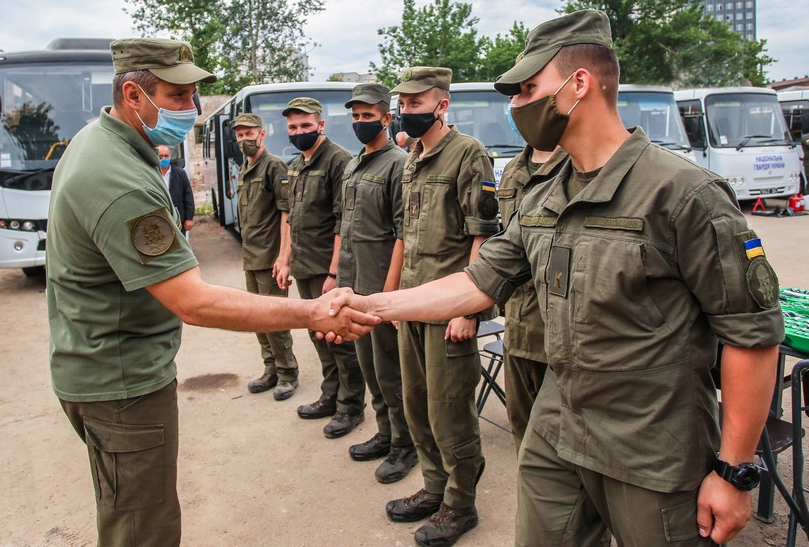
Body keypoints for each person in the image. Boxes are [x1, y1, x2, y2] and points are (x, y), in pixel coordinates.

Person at [327, 10, 785, 547]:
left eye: (528, 89)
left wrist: (733, 471)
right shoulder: (545, 194)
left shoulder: (683, 193)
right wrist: (373, 305)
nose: (517, 105)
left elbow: (751, 334)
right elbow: (477, 281)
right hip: (557, 427)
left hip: (651, 448)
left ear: (579, 84)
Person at [46, 37, 376, 546]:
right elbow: (193, 301)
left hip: (103, 365)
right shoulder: (118, 176)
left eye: (192, 95)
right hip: (121, 383)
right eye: (177, 96)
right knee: (142, 527)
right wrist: (313, 313)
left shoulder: (99, 143)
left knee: (130, 509)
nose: (191, 108)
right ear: (133, 95)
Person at [382, 67, 501, 547]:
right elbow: (406, 235)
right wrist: (393, 302)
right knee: (417, 405)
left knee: (450, 411)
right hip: (413, 303)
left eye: (416, 103)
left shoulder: (469, 153)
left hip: (449, 305)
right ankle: (435, 487)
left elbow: (483, 236)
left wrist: (467, 310)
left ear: (442, 105)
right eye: (403, 104)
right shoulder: (413, 157)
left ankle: (461, 504)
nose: (406, 111)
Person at [339, 83, 417, 483]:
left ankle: (406, 443)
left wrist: (389, 295)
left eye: (367, 116)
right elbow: (346, 225)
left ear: (386, 118)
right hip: (354, 284)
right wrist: (339, 281)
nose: (360, 122)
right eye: (355, 116)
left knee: (390, 372)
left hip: (380, 287)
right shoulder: (354, 163)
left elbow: (404, 233)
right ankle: (385, 432)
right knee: (369, 367)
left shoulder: (398, 164)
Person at [282, 97, 367, 439]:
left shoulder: (338, 161)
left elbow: (342, 221)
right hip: (305, 265)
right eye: (292, 127)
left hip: (327, 269)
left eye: (305, 125)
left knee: (340, 339)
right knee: (319, 336)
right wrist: (285, 259)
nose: (298, 132)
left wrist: (333, 274)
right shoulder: (296, 164)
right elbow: (291, 217)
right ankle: (330, 396)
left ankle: (351, 407)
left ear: (320, 125)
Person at [496, 139, 568, 453]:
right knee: (522, 431)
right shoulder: (513, 169)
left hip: (559, 337)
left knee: (562, 443)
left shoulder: (576, 166)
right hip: (517, 328)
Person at [231, 112, 300, 400]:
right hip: (251, 257)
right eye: (240, 135)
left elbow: (287, 214)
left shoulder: (274, 166)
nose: (244, 139)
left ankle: (287, 373)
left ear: (262, 134)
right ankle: (270, 368)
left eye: (250, 133)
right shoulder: (245, 169)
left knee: (275, 320)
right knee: (257, 319)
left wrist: (284, 257)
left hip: (270, 259)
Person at [157, 144, 195, 237]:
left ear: (170, 157)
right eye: (160, 156)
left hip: (178, 219)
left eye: (166, 156)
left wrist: (189, 218)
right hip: (159, 220)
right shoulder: (152, 174)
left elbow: (188, 196)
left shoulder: (180, 173)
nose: (163, 158)